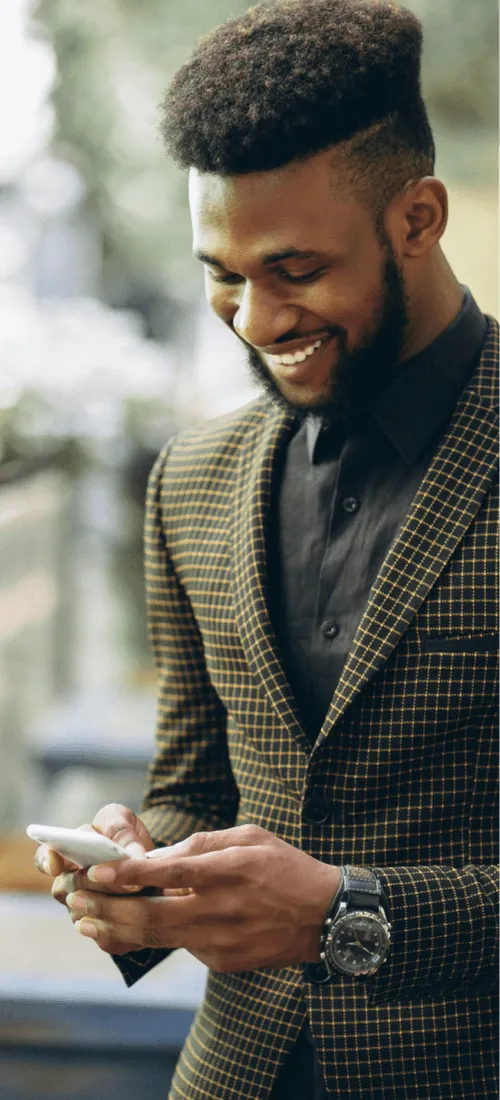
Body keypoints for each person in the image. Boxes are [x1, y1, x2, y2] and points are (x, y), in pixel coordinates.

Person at [36, 1, 500, 1097]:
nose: (251, 318)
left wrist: (348, 913)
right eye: (222, 271)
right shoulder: (190, 480)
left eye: (293, 268)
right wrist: (137, 868)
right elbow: (198, 784)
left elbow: (326, 898)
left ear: (416, 218)